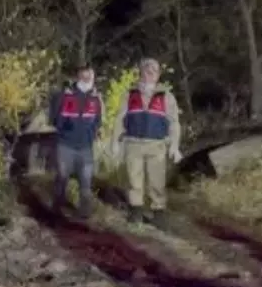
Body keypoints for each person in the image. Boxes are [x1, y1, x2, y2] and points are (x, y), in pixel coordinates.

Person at [110, 58, 182, 228]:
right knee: (134, 180)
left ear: (158, 74)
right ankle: (136, 211)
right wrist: (114, 142)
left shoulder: (167, 96)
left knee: (157, 181)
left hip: (157, 145)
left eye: (154, 70)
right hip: (133, 143)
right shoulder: (129, 94)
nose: (150, 73)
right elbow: (120, 119)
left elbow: (174, 123)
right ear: (141, 72)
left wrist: (174, 146)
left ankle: (158, 212)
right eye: (147, 69)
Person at [48, 64, 103, 217]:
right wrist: (64, 127)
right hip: (66, 144)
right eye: (84, 77)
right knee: (62, 177)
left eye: (90, 77)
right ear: (78, 77)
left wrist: (93, 134)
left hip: (86, 147)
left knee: (86, 180)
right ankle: (57, 208)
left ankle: (84, 211)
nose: (87, 80)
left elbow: (98, 121)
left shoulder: (96, 98)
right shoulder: (65, 95)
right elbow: (54, 118)